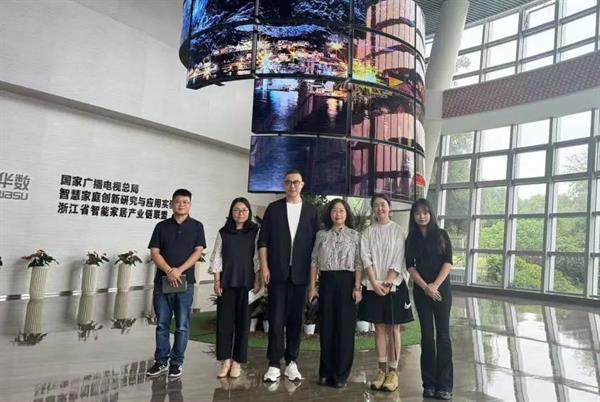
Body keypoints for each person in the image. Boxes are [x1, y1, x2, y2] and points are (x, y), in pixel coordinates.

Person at [258, 169, 319, 382]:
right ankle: (274, 363)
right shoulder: (274, 209)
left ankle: (292, 362)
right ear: (284, 185)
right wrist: (264, 267)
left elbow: (316, 247)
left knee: (296, 320)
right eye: (288, 182)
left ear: (302, 185)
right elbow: (263, 241)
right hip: (277, 273)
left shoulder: (311, 211)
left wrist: (314, 279)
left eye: (296, 182)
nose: (292, 185)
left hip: (301, 275)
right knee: (275, 319)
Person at [146, 189, 206, 379]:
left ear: (190, 205)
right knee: (162, 324)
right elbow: (154, 252)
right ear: (172, 204)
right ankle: (161, 362)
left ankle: (176, 363)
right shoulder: (161, 226)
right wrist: (169, 270)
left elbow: (198, 252)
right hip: (162, 283)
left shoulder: (197, 226)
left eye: (185, 202)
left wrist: (179, 270)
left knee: (182, 326)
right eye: (178, 201)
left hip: (185, 284)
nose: (181, 204)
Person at [358, 193, 413, 392]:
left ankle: (393, 373)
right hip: (373, 286)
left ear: (389, 208)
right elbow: (366, 258)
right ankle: (381, 371)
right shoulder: (367, 232)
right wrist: (374, 282)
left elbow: (398, 258)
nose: (380, 208)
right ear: (373, 209)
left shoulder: (398, 231)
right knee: (379, 328)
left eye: (383, 205)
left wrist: (388, 283)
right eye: (376, 205)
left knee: (393, 329)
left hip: (394, 286)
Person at [308, 198, 362, 388]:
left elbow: (358, 263)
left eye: (341, 210)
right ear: (329, 214)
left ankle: (341, 374)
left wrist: (357, 288)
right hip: (327, 282)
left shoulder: (355, 236)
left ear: (346, 214)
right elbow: (314, 261)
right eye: (334, 210)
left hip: (348, 282)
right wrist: (312, 287)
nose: (337, 214)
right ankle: (325, 372)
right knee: (327, 328)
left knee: (345, 330)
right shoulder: (321, 235)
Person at [405, 199, 453, 400]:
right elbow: (410, 266)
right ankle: (429, 384)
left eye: (425, 212)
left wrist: (435, 286)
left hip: (442, 291)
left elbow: (448, 262)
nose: (421, 216)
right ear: (413, 216)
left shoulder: (442, 235)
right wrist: (426, 287)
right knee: (427, 337)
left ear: (431, 214)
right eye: (417, 213)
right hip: (422, 292)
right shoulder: (411, 239)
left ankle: (445, 385)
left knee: (443, 336)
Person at [209, 197, 261, 378]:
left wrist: (257, 280)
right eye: (237, 210)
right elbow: (217, 257)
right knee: (224, 323)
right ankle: (225, 361)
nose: (240, 213)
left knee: (243, 323)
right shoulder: (223, 232)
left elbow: (257, 258)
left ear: (249, 212)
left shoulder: (255, 232)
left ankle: (237, 362)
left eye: (244, 210)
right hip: (227, 282)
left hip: (247, 283)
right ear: (231, 212)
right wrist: (216, 281)